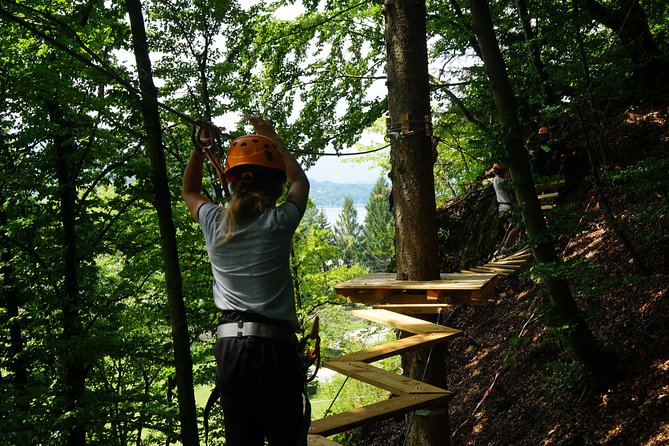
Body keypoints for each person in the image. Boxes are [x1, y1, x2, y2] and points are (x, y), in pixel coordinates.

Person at [182, 114, 310, 446]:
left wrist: (200, 149)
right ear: (275, 184)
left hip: (230, 348)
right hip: (274, 348)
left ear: (231, 181)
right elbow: (301, 184)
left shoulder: (214, 222)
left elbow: (190, 191)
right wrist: (273, 138)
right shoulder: (279, 222)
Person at [491, 163, 522, 255]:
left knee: (519, 223)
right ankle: (505, 247)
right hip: (506, 207)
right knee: (518, 225)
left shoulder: (496, 180)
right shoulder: (499, 180)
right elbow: (510, 189)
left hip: (504, 207)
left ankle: (519, 242)